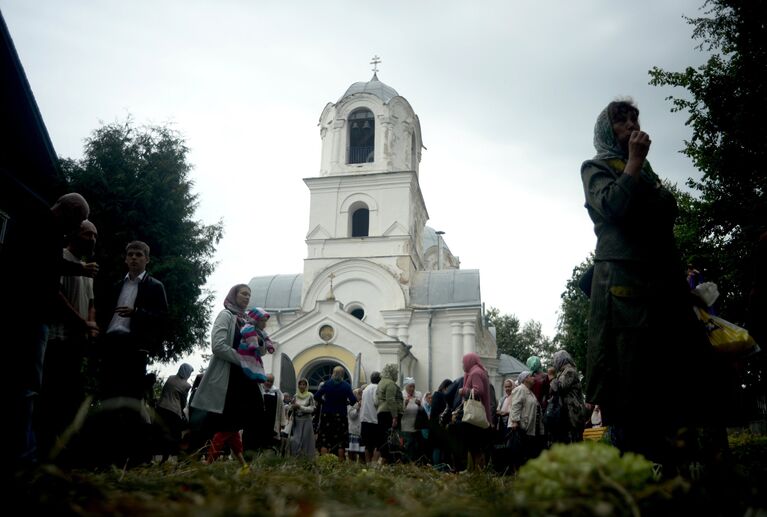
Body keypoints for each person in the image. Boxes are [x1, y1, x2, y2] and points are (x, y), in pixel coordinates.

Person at [581, 98, 714, 467]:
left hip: (660, 288)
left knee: (668, 378)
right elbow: (612, 208)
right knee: (628, 380)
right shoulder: (596, 168)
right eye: (621, 120)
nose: (631, 124)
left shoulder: (647, 173)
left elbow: (665, 214)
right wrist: (635, 165)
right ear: (608, 131)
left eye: (634, 117)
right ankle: (637, 467)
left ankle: (673, 467)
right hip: (623, 292)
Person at [4, 192, 92, 468]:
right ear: (69, 211)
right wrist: (80, 321)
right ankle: (25, 457)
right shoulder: (47, 228)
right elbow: (47, 281)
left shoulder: (37, 223)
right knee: (28, 386)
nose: (75, 230)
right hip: (29, 317)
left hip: (27, 315)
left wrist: (81, 270)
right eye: (77, 223)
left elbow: (48, 265)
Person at [38, 219, 100, 461]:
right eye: (88, 234)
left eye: (95, 235)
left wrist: (91, 325)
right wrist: (80, 322)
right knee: (51, 397)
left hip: (77, 343)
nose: (92, 239)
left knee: (69, 398)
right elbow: (55, 296)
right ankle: (44, 454)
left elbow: (91, 303)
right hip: (58, 339)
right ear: (74, 234)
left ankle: (63, 454)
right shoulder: (61, 259)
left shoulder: (87, 268)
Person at [190, 284, 264, 470]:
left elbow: (258, 350)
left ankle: (244, 464)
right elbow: (218, 345)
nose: (247, 297)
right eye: (243, 293)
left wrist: (261, 342)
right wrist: (244, 360)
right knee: (228, 422)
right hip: (229, 378)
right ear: (234, 295)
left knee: (239, 421)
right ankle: (204, 460)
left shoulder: (247, 321)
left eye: (249, 294)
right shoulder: (226, 316)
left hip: (245, 378)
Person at [314, 366, 356, 460]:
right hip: (340, 416)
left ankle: (324, 462)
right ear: (342, 374)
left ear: (333, 373)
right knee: (340, 441)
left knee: (325, 439)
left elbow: (316, 396)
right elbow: (353, 400)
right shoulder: (346, 385)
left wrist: (324, 402)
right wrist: (346, 403)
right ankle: (340, 464)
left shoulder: (327, 384)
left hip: (327, 415)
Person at [459, 352, 492, 471]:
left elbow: (478, 391)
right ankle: (474, 470)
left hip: (474, 417)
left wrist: (463, 391)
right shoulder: (476, 371)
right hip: (477, 416)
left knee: (475, 446)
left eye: (463, 362)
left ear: (469, 361)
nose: (462, 365)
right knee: (475, 446)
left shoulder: (475, 373)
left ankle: (477, 471)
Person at [155, 363, 194, 462]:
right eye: (190, 373)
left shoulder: (170, 378)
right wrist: (182, 413)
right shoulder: (186, 385)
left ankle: (156, 456)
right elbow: (183, 401)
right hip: (173, 412)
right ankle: (169, 457)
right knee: (173, 435)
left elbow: (164, 391)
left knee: (159, 433)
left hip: (160, 408)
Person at [509, 371, 545, 469]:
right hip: (523, 428)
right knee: (522, 452)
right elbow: (515, 406)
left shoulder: (530, 392)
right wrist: (515, 421)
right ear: (525, 379)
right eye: (530, 376)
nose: (533, 378)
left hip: (532, 428)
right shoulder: (520, 389)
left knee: (529, 452)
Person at [376, 363, 404, 463]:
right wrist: (395, 417)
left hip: (381, 412)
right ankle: (389, 461)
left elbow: (376, 401)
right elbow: (391, 400)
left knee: (384, 439)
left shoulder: (380, 383)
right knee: (392, 440)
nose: (397, 374)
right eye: (396, 372)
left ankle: (384, 461)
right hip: (389, 413)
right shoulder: (390, 383)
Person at [288, 378, 316, 458]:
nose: (302, 386)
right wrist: (292, 407)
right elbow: (290, 407)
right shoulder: (295, 396)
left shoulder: (310, 396)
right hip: (297, 420)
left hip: (306, 420)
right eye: (300, 384)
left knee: (306, 440)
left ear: (306, 386)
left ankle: (307, 458)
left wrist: (300, 407)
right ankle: (295, 457)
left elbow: (312, 409)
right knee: (296, 440)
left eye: (304, 384)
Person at [400, 377, 423, 463]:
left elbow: (422, 410)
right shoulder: (402, 395)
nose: (412, 389)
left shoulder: (418, 394)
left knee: (416, 444)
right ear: (406, 386)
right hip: (405, 424)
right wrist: (404, 405)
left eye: (413, 386)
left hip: (416, 424)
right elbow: (400, 411)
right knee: (408, 443)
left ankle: (415, 462)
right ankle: (405, 462)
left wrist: (420, 404)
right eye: (410, 386)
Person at [359, 371, 381, 464]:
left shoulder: (366, 388)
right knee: (378, 444)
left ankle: (368, 463)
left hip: (365, 419)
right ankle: (373, 463)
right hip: (375, 419)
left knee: (367, 444)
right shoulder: (377, 388)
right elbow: (377, 402)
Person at [347, 387, 364, 462]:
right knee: (352, 452)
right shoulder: (351, 404)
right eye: (359, 394)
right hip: (353, 431)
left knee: (362, 452)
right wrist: (357, 408)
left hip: (361, 431)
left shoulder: (363, 403)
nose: (361, 396)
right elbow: (352, 415)